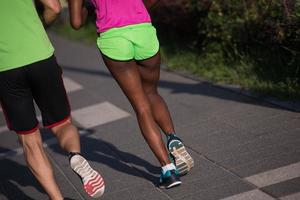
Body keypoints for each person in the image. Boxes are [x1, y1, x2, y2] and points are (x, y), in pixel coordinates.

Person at [67, 0, 194, 189]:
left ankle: (168, 170)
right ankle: (173, 138)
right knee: (151, 92)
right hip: (143, 30)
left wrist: (87, 7)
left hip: (114, 37)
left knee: (141, 106)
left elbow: (76, 23)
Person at [0, 0, 104, 199]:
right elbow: (54, 8)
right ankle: (75, 156)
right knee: (62, 123)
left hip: (5, 68)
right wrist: (40, 24)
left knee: (30, 140)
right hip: (40, 55)